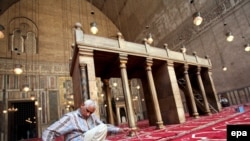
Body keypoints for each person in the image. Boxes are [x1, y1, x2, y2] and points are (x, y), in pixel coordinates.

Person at [42, 99, 130, 141]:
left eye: (91, 112)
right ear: (82, 105)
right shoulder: (71, 117)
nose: (89, 114)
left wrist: (120, 130)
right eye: (87, 111)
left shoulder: (92, 117)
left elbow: (105, 127)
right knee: (102, 127)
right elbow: (49, 132)